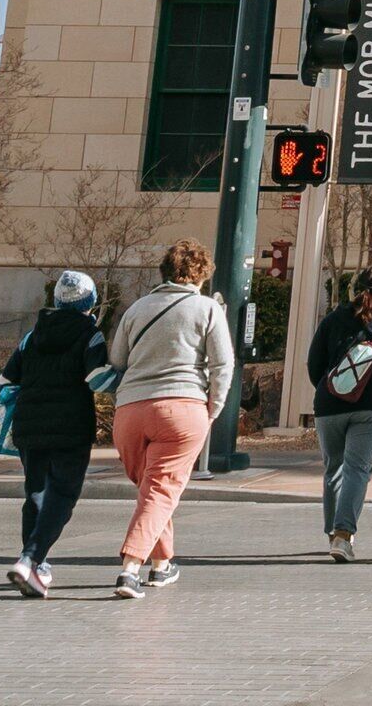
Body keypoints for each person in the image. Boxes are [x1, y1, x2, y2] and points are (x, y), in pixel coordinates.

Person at [104, 238, 233, 599]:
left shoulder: (136, 309)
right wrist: (213, 409)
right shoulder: (207, 309)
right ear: (201, 275)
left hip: (131, 409)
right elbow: (223, 365)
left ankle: (162, 566)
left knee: (152, 491)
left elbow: (118, 360)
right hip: (183, 407)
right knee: (160, 490)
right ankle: (130, 569)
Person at [0, 271, 110, 598]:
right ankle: (30, 558)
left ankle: (36, 567)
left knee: (36, 493)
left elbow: (5, 381)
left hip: (29, 425)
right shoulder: (90, 334)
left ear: (57, 301)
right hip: (71, 428)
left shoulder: (32, 336)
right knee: (62, 495)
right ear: (90, 302)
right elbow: (98, 379)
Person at [303, 265, 372, 561]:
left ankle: (332, 532)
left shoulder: (332, 320)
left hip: (329, 405)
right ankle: (343, 536)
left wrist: (332, 390)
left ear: (356, 288)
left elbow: (314, 365)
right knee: (357, 469)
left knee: (334, 468)